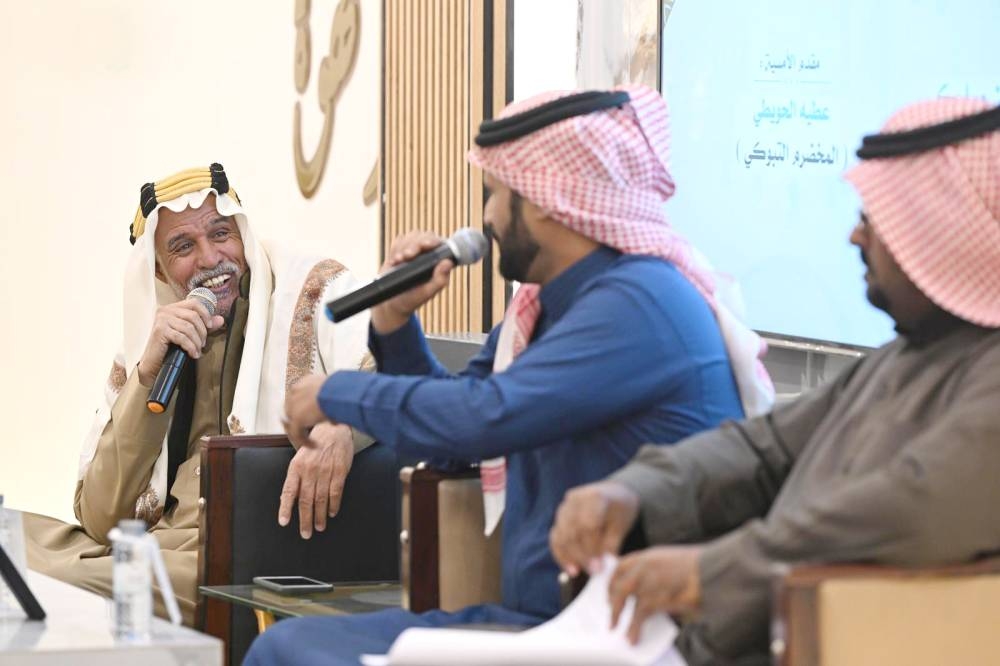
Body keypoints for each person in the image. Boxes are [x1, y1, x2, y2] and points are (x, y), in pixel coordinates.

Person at [246, 85, 773, 664]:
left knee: (293, 653)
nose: (487, 219)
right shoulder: (545, 308)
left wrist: (338, 393)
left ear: (544, 199)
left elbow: (481, 417)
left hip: (631, 635)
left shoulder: (637, 303)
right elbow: (454, 436)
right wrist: (394, 321)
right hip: (543, 620)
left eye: (495, 194)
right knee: (288, 646)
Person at [549, 97, 1000, 665]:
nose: (854, 238)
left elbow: (913, 509)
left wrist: (712, 572)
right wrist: (636, 491)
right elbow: (764, 448)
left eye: (873, 220)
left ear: (939, 235)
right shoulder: (905, 356)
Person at [23, 164, 373, 625]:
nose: (210, 258)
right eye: (183, 246)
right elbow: (100, 517)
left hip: (236, 555)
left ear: (243, 236)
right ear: (159, 270)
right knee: (15, 541)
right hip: (151, 545)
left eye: (221, 234)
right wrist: (147, 376)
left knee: (58, 581)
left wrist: (343, 426)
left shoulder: (311, 289)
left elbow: (389, 370)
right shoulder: (152, 338)